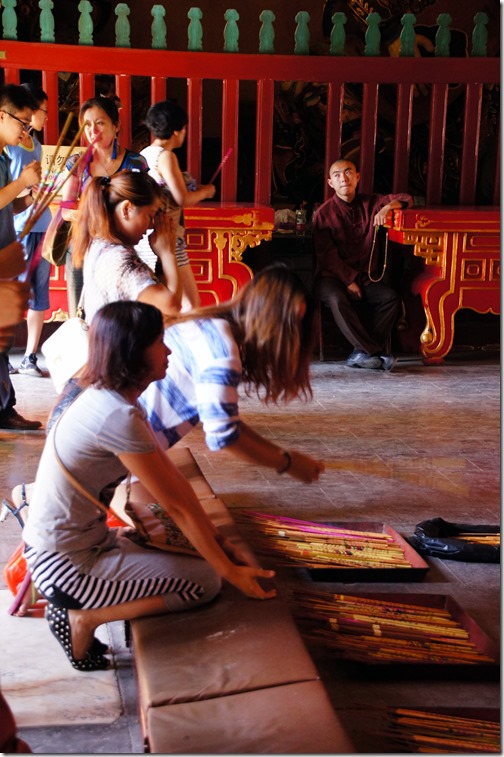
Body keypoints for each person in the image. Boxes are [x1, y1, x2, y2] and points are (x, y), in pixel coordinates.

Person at [22, 300, 276, 672]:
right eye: (159, 341)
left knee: (197, 552)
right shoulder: (117, 415)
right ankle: (85, 618)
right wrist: (229, 571)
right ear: (134, 352)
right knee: (204, 582)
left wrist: (220, 545)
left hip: (76, 546)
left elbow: (178, 489)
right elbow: (178, 505)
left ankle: (82, 605)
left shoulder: (111, 399)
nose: (169, 350)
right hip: (66, 566)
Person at [311, 158, 413, 371]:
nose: (343, 178)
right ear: (331, 183)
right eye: (337, 175)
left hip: (366, 278)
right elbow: (327, 256)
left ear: (357, 177)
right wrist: (348, 281)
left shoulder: (373, 202)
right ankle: (372, 352)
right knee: (336, 298)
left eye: (348, 173)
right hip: (332, 278)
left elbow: (406, 198)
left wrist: (388, 209)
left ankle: (363, 352)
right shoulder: (324, 213)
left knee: (391, 298)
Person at [59, 95, 150, 316]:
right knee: (79, 318)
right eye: (87, 125)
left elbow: (144, 203)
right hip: (82, 246)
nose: (93, 130)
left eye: (100, 122)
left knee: (117, 314)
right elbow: (66, 209)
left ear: (116, 125)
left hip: (121, 249)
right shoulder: (77, 164)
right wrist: (94, 213)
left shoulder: (136, 163)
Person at [70, 170, 180, 323]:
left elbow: (160, 294)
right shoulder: (118, 260)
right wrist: (167, 254)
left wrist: (162, 260)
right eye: (150, 215)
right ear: (127, 209)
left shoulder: (100, 242)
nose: (152, 225)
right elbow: (170, 309)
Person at [139, 100, 216, 310]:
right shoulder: (166, 157)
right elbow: (182, 199)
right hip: (167, 237)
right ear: (177, 131)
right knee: (190, 303)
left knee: (160, 303)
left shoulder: (145, 154)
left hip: (145, 238)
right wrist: (207, 191)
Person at [0, 84, 43, 430]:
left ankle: (4, 407)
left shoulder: (3, 158)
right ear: (2, 115)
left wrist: (28, 197)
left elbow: (8, 205)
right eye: (22, 122)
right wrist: (22, 181)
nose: (26, 130)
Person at [6, 83, 51, 377]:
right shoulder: (7, 150)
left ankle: (30, 356)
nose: (43, 117)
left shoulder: (33, 146)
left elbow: (20, 199)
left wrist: (34, 194)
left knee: (39, 294)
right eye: (42, 111)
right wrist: (23, 185)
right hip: (15, 234)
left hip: (39, 225)